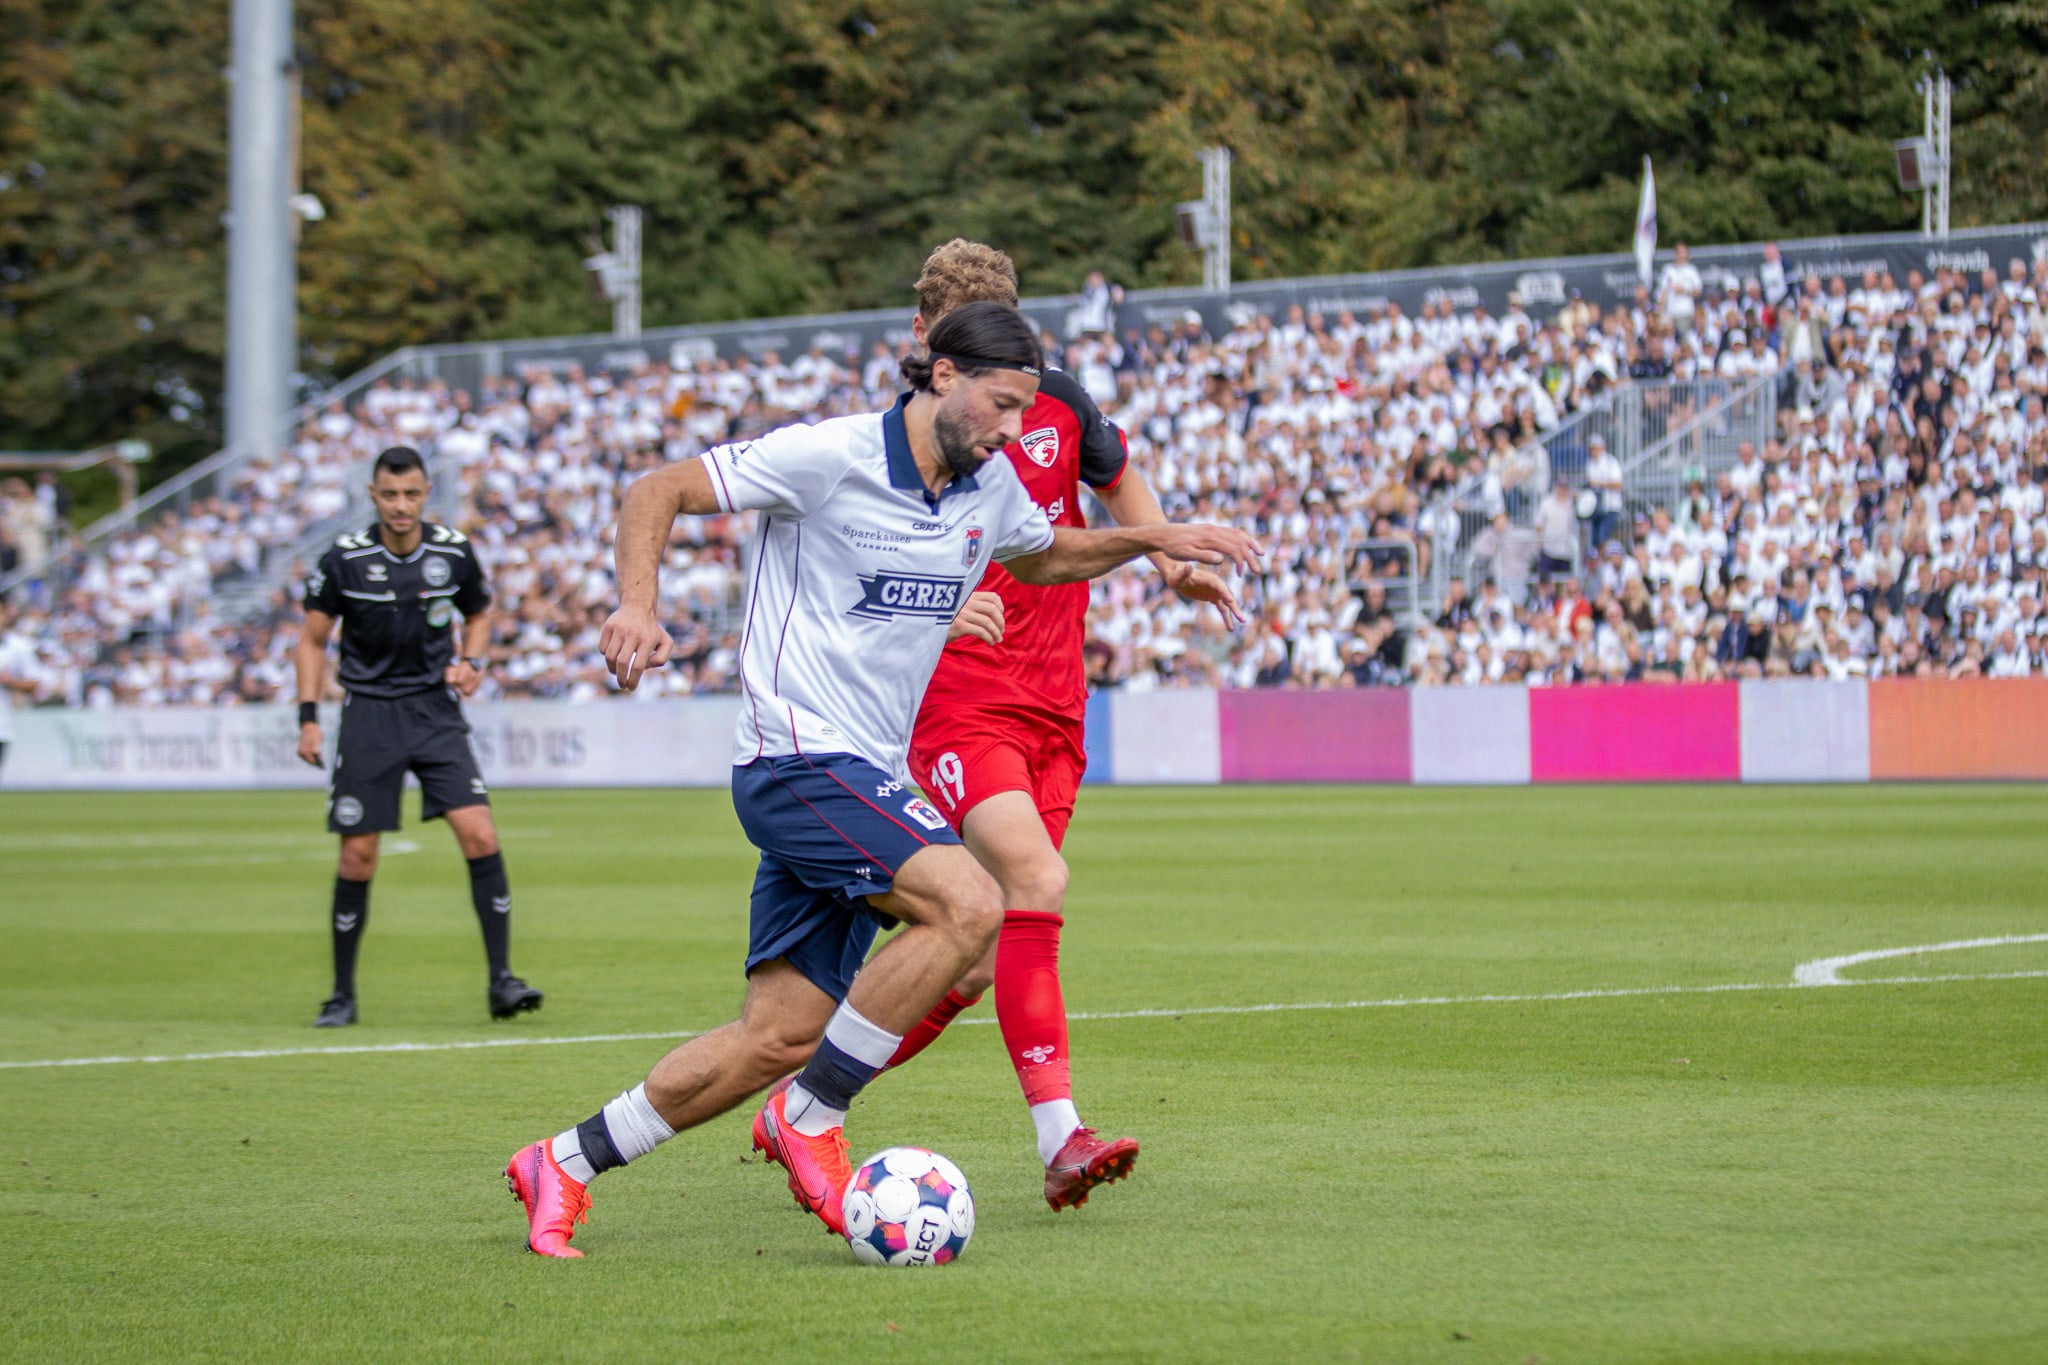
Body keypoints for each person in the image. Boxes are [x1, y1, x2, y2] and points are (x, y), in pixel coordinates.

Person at [503, 301, 1260, 1258]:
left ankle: (564, 1160)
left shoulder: (987, 485)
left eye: (1025, 409)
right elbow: (657, 489)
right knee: (972, 903)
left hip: (865, 772)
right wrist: (638, 604)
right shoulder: (829, 455)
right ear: (942, 375)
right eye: (1002, 403)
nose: (1016, 428)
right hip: (795, 757)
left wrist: (1151, 539)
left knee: (777, 1035)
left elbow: (1043, 553)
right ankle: (812, 1114)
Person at [818, 239, 1240, 1212]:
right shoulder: (901, 438)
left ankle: (806, 1098)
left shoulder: (1061, 403)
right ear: (927, 340)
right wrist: (932, 604)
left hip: (1056, 701)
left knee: (971, 963)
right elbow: (859, 562)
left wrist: (1171, 564)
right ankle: (1061, 1139)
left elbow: (1117, 481)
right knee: (1036, 881)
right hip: (960, 699)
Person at [294, 446, 541, 1028]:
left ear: (426, 493)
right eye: (389, 495)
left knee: (480, 833)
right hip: (369, 714)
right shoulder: (344, 560)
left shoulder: (453, 551)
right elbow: (312, 640)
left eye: (410, 494)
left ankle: (502, 981)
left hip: (435, 712)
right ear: (373, 496)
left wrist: (472, 661)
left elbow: (478, 614)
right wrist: (308, 716)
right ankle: (341, 996)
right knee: (358, 855)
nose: (400, 506)